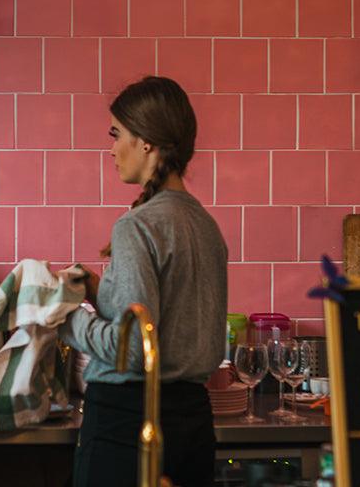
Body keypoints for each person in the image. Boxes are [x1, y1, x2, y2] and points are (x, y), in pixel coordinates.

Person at [60, 76, 228, 487]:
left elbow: (135, 350)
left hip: (128, 423)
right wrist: (99, 291)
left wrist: (65, 319)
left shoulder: (137, 226)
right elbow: (163, 320)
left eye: (118, 135)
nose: (112, 148)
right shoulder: (206, 226)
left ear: (147, 142)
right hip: (193, 425)